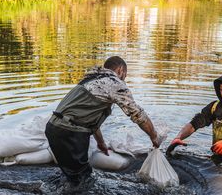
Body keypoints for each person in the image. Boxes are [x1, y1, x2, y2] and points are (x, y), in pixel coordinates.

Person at [45, 56, 160, 184]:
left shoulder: (90, 80)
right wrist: (153, 136)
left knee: (72, 176)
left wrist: (101, 143)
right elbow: (138, 115)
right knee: (82, 180)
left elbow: (88, 119)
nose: (124, 79)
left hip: (53, 128)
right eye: (125, 75)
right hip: (70, 133)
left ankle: (51, 194)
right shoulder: (114, 83)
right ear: (121, 70)